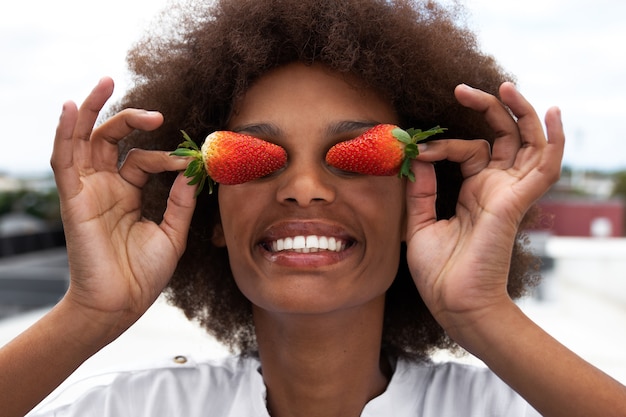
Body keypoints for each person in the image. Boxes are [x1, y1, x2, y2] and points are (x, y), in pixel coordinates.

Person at [1, 0, 625, 415]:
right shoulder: (136, 409)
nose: (304, 186)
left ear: (423, 205)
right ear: (211, 218)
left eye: (359, 154)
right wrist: (87, 314)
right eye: (254, 155)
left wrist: (482, 311)